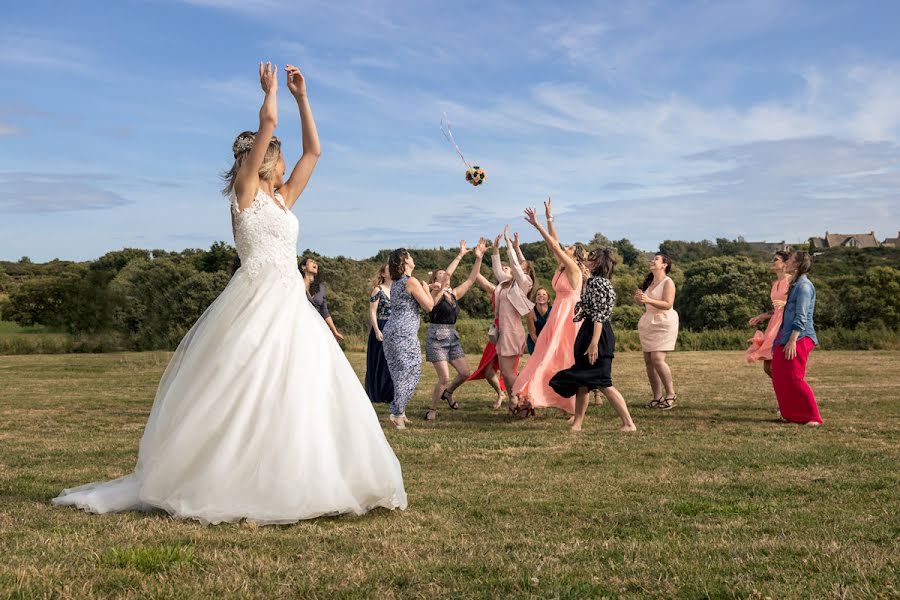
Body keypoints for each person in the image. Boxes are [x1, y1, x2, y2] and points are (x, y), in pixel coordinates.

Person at [53, 63, 406, 523]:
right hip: (255, 301)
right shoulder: (245, 194)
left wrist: (304, 97)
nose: (284, 165)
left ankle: (303, 475)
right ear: (265, 161)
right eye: (278, 159)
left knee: (303, 389)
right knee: (244, 386)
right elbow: (268, 125)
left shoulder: (283, 199)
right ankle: (232, 479)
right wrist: (272, 93)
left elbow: (315, 151)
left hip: (291, 305)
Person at [550, 248, 636, 433]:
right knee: (582, 383)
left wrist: (594, 343)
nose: (586, 259)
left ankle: (628, 423)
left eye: (590, 258)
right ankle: (577, 424)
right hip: (590, 330)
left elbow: (599, 316)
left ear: (597, 262)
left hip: (596, 333)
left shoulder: (597, 283)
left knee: (603, 382)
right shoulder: (596, 282)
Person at [513, 200, 585, 416]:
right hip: (558, 315)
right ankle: (533, 396)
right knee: (545, 355)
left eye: (570, 248)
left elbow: (554, 245)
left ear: (575, 255)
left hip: (569, 315)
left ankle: (567, 400)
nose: (566, 248)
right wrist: (549, 217)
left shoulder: (573, 269)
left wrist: (537, 225)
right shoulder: (563, 266)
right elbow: (555, 242)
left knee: (562, 356)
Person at [423, 239, 487, 421]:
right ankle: (432, 410)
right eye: (441, 275)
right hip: (436, 338)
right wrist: (459, 255)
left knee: (465, 373)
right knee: (443, 377)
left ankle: (448, 393)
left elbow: (472, 278)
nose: (445, 276)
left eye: (446, 274)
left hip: (452, 336)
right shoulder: (433, 294)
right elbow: (445, 277)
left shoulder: (454, 293)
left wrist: (478, 258)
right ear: (435, 280)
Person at [382, 248, 435, 429]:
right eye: (410, 256)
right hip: (403, 333)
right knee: (412, 370)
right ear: (405, 262)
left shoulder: (397, 283)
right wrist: (427, 289)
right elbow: (429, 306)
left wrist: (427, 289)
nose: (413, 258)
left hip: (391, 331)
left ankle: (401, 412)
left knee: (399, 373)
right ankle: (396, 413)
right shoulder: (411, 281)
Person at [771, 252, 823, 426]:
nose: (788, 262)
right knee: (778, 374)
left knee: (794, 377)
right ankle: (791, 414)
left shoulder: (804, 287)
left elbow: (801, 316)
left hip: (799, 337)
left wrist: (793, 340)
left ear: (798, 264)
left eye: (791, 260)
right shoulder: (794, 284)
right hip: (785, 336)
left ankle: (812, 417)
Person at [491, 227, 535, 414]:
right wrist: (495, 248)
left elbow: (516, 266)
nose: (518, 265)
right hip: (502, 331)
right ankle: (516, 402)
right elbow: (497, 268)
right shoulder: (504, 283)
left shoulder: (524, 283)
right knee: (505, 371)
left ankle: (522, 401)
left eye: (522, 265)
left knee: (509, 372)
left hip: (512, 331)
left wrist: (509, 243)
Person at [462, 272, 516, 409]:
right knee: (487, 370)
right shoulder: (496, 290)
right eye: (501, 268)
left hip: (510, 331)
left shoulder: (516, 289)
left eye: (506, 268)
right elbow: (480, 279)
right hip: (497, 332)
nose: (503, 270)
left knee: (508, 370)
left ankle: (515, 399)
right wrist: (477, 260)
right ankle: (501, 393)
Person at [636, 252, 679, 410]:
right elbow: (644, 301)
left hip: (664, 321)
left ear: (664, 265)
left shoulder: (668, 282)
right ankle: (656, 397)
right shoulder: (649, 281)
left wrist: (649, 300)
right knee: (648, 360)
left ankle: (671, 394)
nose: (652, 261)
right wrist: (639, 298)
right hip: (649, 322)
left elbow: (668, 304)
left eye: (656, 259)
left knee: (657, 359)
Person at [746, 251, 793, 377]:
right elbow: (776, 308)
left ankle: (789, 391)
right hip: (773, 324)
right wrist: (761, 316)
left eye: (776, 259)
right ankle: (784, 391)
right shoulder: (775, 284)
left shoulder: (792, 282)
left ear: (785, 264)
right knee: (768, 367)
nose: (772, 262)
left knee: (776, 366)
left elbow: (794, 306)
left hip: (785, 324)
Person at [365, 265, 394, 403]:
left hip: (394, 328)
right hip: (381, 326)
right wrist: (377, 330)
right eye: (389, 269)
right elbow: (372, 311)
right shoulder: (378, 289)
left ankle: (390, 393)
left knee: (391, 362)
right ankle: (378, 394)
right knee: (380, 361)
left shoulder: (396, 290)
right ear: (383, 273)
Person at [300, 256, 344, 342]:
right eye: (312, 261)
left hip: (315, 325)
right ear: (303, 267)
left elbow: (325, 312)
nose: (315, 263)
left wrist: (335, 332)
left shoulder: (321, 288)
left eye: (316, 263)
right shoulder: (297, 283)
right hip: (300, 323)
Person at [526, 287, 552, 355]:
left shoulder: (553, 311)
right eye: (538, 294)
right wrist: (541, 346)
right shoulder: (530, 312)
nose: (541, 295)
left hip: (549, 340)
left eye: (544, 294)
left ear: (548, 299)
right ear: (535, 299)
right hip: (535, 340)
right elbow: (532, 333)